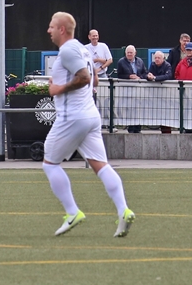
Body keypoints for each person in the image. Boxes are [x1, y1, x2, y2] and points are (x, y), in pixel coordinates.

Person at [43, 12, 135, 238]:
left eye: (52, 26)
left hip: (72, 116)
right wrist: (64, 82)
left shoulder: (68, 50)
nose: (49, 30)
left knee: (50, 164)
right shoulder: (83, 49)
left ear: (62, 29)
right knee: (100, 165)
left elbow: (84, 77)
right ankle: (123, 210)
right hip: (90, 115)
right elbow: (94, 79)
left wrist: (58, 89)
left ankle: (72, 212)